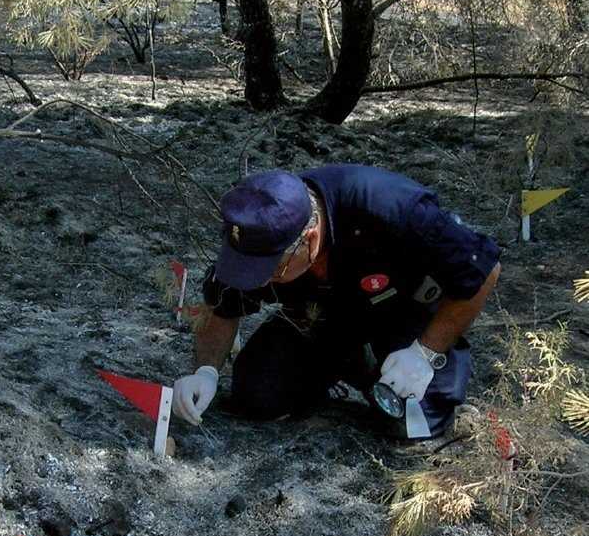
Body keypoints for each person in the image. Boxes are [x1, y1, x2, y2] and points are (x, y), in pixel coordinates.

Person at [171, 165, 501, 440]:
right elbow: (224, 303)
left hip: (400, 317)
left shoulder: (391, 207)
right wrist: (206, 370)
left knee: (416, 425)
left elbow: (484, 270)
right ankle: (347, 366)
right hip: (319, 317)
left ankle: (376, 367)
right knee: (256, 396)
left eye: (273, 271)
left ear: (310, 239)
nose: (260, 280)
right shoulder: (257, 231)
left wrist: (425, 352)